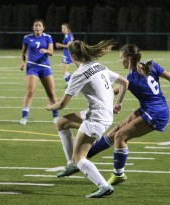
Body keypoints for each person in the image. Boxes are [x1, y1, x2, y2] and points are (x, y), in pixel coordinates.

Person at [86, 43, 170, 185]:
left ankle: (118, 174)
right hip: (151, 108)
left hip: (156, 113)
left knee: (120, 136)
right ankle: (84, 157)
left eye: (121, 57)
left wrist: (92, 91)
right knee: (115, 131)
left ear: (128, 58)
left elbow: (114, 91)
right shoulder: (151, 66)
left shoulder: (131, 78)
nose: (120, 61)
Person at [45, 39, 128, 198]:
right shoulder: (99, 66)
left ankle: (104, 186)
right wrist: (118, 104)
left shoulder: (79, 74)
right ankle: (71, 164)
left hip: (96, 118)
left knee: (80, 158)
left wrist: (50, 107)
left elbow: (62, 104)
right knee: (62, 122)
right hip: (103, 113)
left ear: (71, 55)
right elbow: (125, 82)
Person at [19, 19, 59, 125]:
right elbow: (23, 53)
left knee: (51, 93)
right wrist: (23, 62)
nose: (37, 27)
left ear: (43, 28)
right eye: (35, 25)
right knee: (30, 92)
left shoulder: (48, 37)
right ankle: (24, 117)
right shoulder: (27, 38)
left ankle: (55, 117)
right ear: (33, 27)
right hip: (32, 67)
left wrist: (46, 51)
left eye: (39, 25)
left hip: (45, 67)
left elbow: (51, 52)